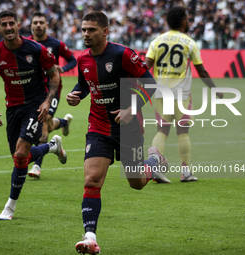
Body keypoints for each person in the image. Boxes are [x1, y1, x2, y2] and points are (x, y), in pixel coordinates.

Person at [66, 11, 169, 254]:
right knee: (91, 179)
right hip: (98, 127)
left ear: (105, 31)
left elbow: (150, 83)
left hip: (129, 129)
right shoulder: (82, 59)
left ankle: (153, 161)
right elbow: (83, 83)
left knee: (137, 184)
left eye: (91, 30)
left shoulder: (122, 54)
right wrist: (76, 94)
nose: (86, 34)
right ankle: (90, 238)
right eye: (83, 30)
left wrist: (131, 109)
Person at [0, 10, 67, 220]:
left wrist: (47, 101)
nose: (8, 27)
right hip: (13, 108)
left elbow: (54, 75)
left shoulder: (36, 49)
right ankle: (51, 147)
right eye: (4, 24)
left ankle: (9, 207)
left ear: (19, 25)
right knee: (19, 159)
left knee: (21, 154)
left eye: (12, 23)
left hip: (35, 106)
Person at [145, 7, 223, 182]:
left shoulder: (156, 41)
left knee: (162, 130)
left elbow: (145, 66)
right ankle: (185, 172)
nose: (188, 22)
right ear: (183, 21)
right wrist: (215, 89)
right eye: (187, 19)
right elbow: (201, 71)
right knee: (183, 132)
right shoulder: (189, 42)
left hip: (160, 93)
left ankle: (154, 167)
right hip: (182, 94)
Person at [27, 11, 77, 179]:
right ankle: (63, 122)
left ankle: (37, 166)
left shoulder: (56, 44)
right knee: (46, 123)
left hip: (52, 89)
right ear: (31, 25)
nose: (39, 25)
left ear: (46, 25)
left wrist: (62, 69)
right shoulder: (25, 43)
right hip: (34, 90)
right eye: (36, 22)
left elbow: (73, 60)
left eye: (42, 22)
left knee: (43, 123)